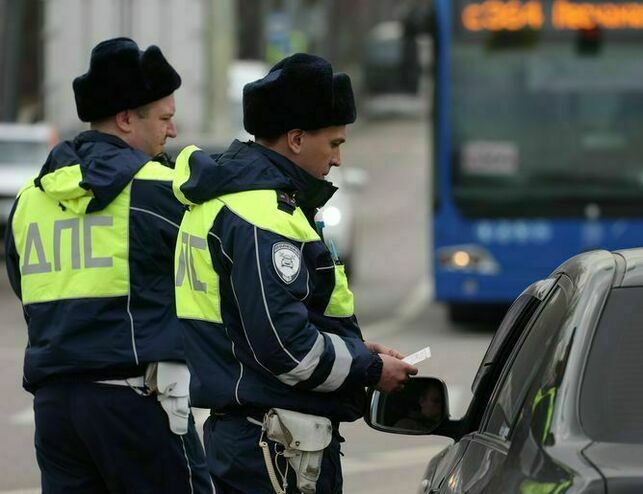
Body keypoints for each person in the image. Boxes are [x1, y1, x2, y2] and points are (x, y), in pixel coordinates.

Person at [172, 53, 418, 494]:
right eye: (335, 144)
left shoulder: (233, 201)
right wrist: (368, 368)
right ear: (297, 139)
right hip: (275, 449)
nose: (339, 159)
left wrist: (355, 348)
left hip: (255, 439)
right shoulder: (261, 214)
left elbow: (263, 324)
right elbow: (286, 348)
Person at [4, 37, 211, 493]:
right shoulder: (156, 188)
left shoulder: (30, 201)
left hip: (56, 412)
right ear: (125, 119)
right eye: (165, 119)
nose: (172, 133)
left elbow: (24, 286)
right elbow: (216, 269)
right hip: (136, 402)